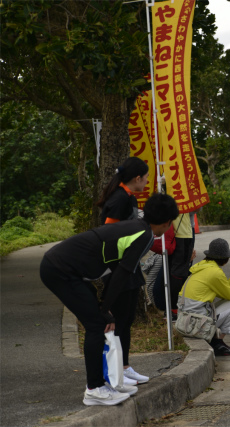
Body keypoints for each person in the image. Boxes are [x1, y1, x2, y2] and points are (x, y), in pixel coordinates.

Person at [40, 193, 179, 406]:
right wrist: (105, 308)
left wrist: (105, 305)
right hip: (60, 270)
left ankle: (109, 382)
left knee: (101, 321)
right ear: (168, 222)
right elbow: (122, 274)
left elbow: (115, 270)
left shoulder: (135, 226)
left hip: (62, 267)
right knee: (96, 325)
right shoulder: (145, 235)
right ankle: (94, 389)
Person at [96, 157, 153, 386]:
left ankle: (125, 366)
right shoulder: (119, 199)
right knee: (117, 319)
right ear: (137, 178)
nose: (147, 181)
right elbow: (109, 234)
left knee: (127, 318)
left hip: (130, 265)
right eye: (146, 177)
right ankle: (114, 369)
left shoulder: (129, 197)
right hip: (117, 267)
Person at [178, 238, 230, 356]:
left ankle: (216, 340)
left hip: (185, 319)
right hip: (196, 323)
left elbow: (224, 291)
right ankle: (218, 343)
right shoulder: (215, 272)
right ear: (225, 259)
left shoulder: (202, 267)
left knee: (228, 302)